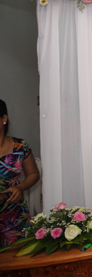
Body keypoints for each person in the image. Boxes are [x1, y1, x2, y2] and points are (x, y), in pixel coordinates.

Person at [0, 99, 40, 247]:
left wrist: (19, 188)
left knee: (19, 258)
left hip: (15, 217)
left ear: (4, 118)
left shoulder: (20, 147)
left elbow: (33, 174)